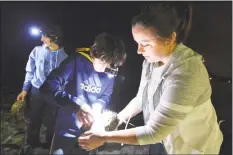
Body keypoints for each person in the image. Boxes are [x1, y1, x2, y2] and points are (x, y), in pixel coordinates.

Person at [78, 3, 223, 154]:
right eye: (137, 43)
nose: (139, 50)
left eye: (145, 44)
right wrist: (116, 120)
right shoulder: (151, 62)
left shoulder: (186, 73)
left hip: (191, 148)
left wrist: (104, 137)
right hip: (163, 142)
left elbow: (154, 132)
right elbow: (142, 98)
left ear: (170, 38)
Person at [39, 32, 127, 154]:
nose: (104, 70)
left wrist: (98, 106)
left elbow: (106, 95)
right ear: (95, 53)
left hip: (91, 132)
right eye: (102, 63)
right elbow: (47, 87)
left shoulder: (110, 70)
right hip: (66, 128)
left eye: (109, 66)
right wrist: (76, 105)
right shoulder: (77, 61)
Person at [17, 23, 68, 151]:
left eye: (44, 36)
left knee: (53, 120)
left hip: (54, 93)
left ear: (54, 37)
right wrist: (24, 89)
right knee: (34, 117)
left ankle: (50, 144)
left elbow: (66, 79)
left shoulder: (65, 57)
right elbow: (30, 71)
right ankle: (32, 143)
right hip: (37, 89)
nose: (41, 39)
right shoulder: (36, 51)